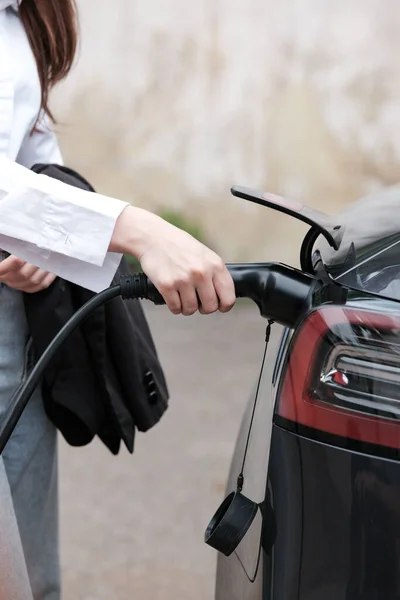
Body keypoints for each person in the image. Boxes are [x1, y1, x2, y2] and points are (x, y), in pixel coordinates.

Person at [0, 1, 235, 598]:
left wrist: (37, 244)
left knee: (28, 568)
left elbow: (31, 153)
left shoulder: (26, 13)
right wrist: (138, 229)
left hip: (11, 322)